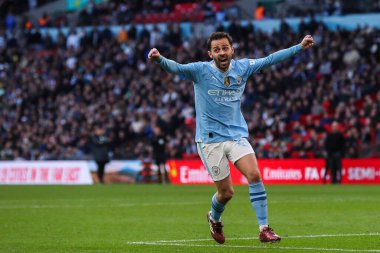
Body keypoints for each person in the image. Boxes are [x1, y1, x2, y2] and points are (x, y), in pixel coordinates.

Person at [148, 32, 314, 244]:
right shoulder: (201, 71)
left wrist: (299, 47)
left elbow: (271, 59)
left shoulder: (243, 67)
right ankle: (214, 217)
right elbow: (177, 68)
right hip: (210, 140)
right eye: (217, 49)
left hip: (236, 136)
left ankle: (264, 228)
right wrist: (159, 59)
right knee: (226, 193)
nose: (222, 52)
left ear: (232, 50)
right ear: (210, 53)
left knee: (254, 174)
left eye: (225, 48)